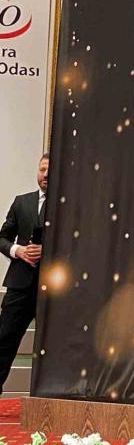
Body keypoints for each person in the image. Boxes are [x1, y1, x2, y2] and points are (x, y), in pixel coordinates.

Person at [0, 153, 49, 395]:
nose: (45, 174)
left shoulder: (69, 206)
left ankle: (49, 400)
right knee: (4, 339)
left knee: (53, 345)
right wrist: (18, 251)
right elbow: (2, 238)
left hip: (53, 288)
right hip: (19, 285)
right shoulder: (21, 202)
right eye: (42, 169)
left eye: (50, 170)